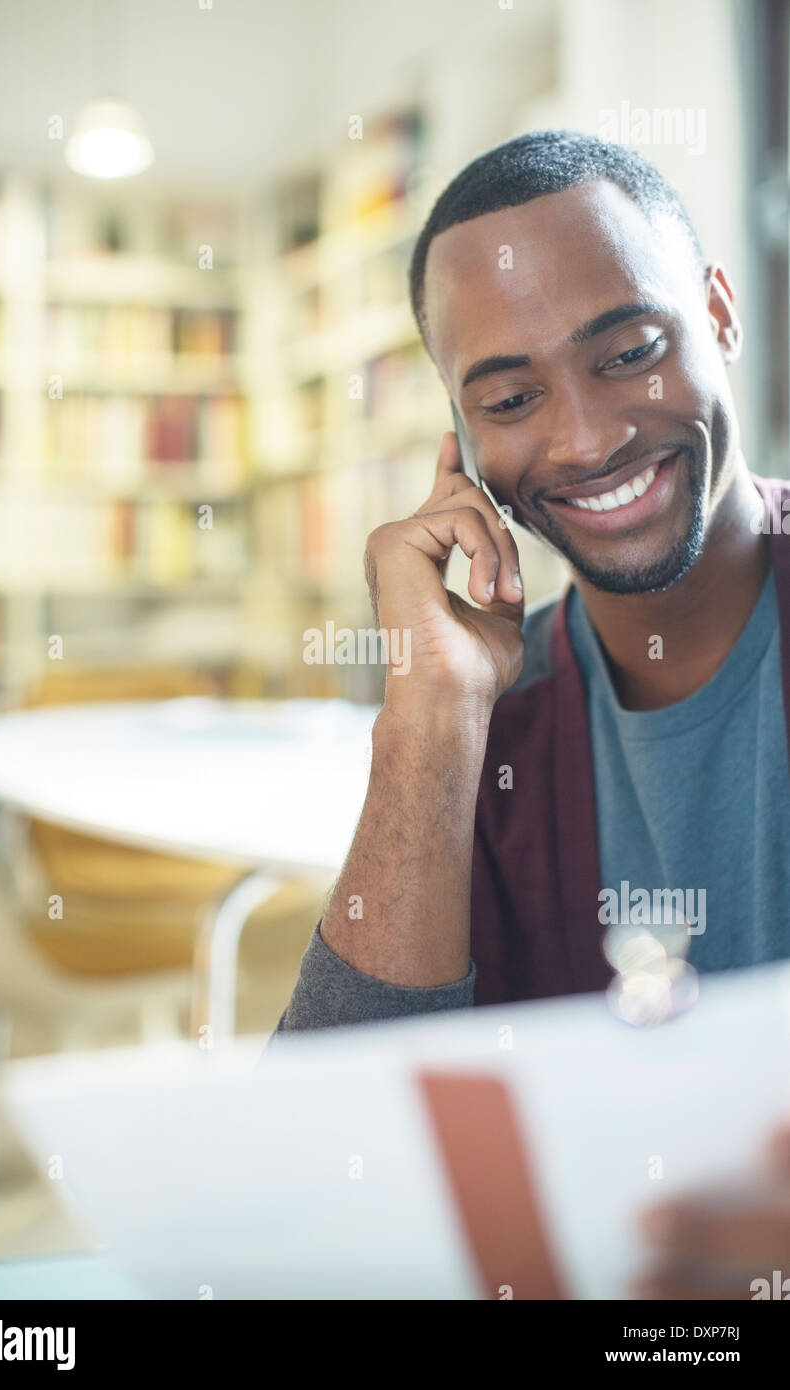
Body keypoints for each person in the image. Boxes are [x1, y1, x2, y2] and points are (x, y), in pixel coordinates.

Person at [273, 130, 790, 1297]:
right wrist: (431, 719)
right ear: (458, 438)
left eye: (627, 351)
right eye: (510, 396)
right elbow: (318, 1171)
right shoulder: (493, 729)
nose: (585, 436)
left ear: (717, 312)